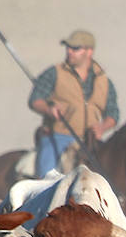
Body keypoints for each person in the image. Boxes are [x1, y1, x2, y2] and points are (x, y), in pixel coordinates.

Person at [27, 29, 119, 176]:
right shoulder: (54, 73)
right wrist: (49, 109)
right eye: (68, 47)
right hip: (58, 136)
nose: (69, 51)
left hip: (91, 142)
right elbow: (35, 99)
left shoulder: (105, 81)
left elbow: (113, 113)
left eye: (75, 48)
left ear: (89, 52)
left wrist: (102, 127)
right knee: (46, 174)